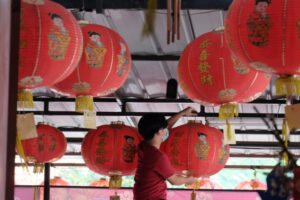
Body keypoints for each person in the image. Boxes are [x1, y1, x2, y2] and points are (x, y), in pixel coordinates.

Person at [133, 107, 198, 200]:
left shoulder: (143, 146)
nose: (166, 129)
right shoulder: (158, 157)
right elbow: (175, 180)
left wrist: (182, 113)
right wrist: (189, 180)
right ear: (160, 132)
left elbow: (165, 125)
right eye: (164, 129)